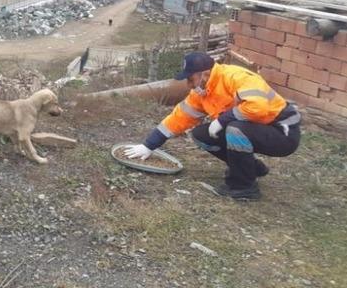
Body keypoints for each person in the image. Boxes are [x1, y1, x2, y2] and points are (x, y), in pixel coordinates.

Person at [125, 52, 301, 200]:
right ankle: (251, 169)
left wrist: (223, 120)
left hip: (283, 132)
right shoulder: (202, 93)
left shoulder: (235, 77)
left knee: (235, 129)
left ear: (205, 73)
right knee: (202, 135)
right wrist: (148, 145)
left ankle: (243, 187)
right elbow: (179, 118)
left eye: (190, 78)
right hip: (254, 129)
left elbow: (258, 107)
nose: (189, 84)